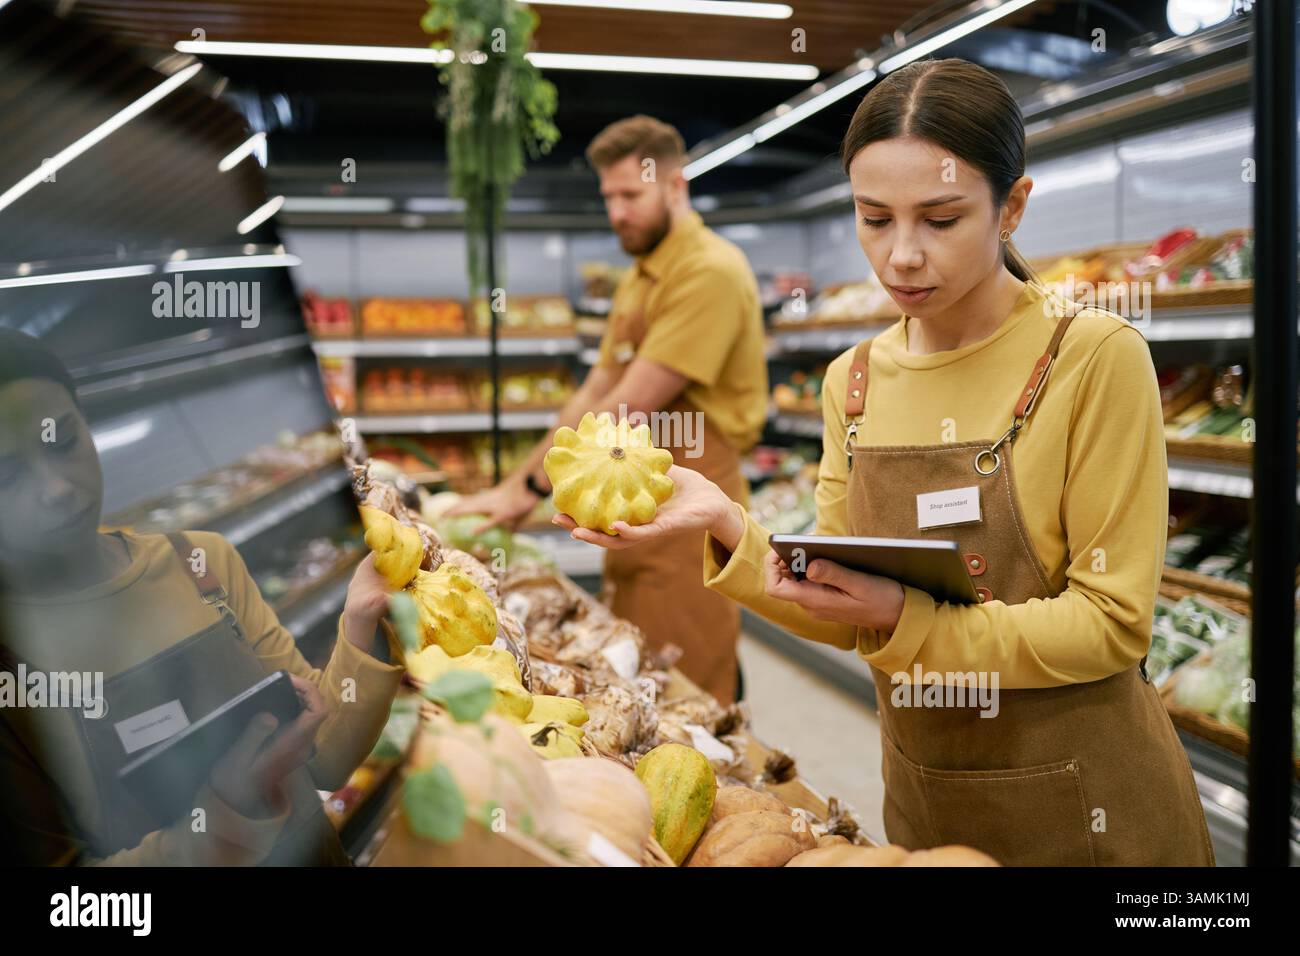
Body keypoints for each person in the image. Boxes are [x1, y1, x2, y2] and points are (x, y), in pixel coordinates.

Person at [557, 60, 1214, 866]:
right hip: (927, 798)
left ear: (1012, 207)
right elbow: (841, 606)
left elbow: (1112, 625)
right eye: (875, 218)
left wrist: (908, 621)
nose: (901, 256)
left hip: (1091, 807)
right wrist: (729, 523)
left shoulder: (1093, 357)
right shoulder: (854, 381)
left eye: (941, 220)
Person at [0, 329, 404, 865]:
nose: (56, 487)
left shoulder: (201, 564)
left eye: (64, 442)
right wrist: (230, 814)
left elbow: (322, 758)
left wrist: (361, 625)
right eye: (7, 473)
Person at [449, 115, 768, 704]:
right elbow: (596, 392)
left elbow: (632, 401)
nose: (617, 212)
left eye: (631, 195)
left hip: (690, 508)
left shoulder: (708, 272)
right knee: (631, 673)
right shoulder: (642, 275)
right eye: (610, 197)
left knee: (682, 685)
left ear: (676, 185)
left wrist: (528, 487)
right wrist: (527, 478)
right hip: (633, 499)